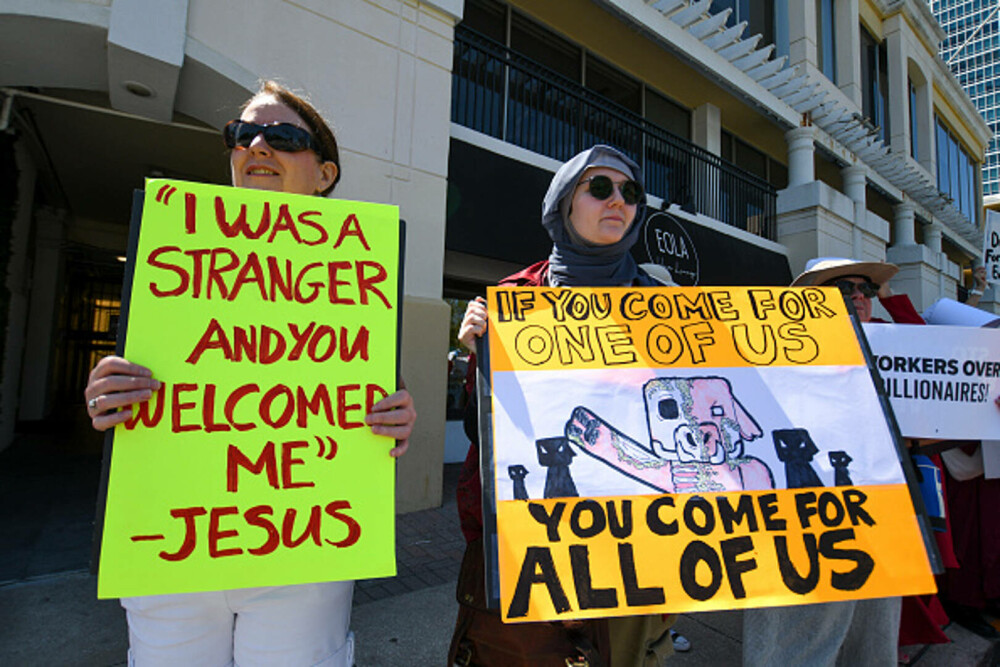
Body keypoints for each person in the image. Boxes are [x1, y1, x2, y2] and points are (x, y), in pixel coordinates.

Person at [83, 81, 416, 667]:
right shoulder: (178, 256)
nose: (257, 144)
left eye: (284, 137)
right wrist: (108, 390)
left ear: (324, 174)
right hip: (173, 551)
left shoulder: (355, 281)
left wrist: (393, 417)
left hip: (303, 552)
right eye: (242, 135)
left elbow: (363, 402)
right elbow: (144, 385)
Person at [448, 145, 684, 666]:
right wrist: (477, 364)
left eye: (630, 192)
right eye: (599, 188)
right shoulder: (512, 300)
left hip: (638, 548)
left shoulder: (665, 309)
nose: (617, 200)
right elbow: (480, 436)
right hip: (533, 547)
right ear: (563, 204)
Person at [741, 256, 956, 665]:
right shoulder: (771, 352)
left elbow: (939, 414)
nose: (859, 297)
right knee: (795, 647)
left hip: (882, 517)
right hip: (801, 522)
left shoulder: (893, 354)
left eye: (867, 289)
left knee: (873, 647)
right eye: (843, 288)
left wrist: (984, 409)